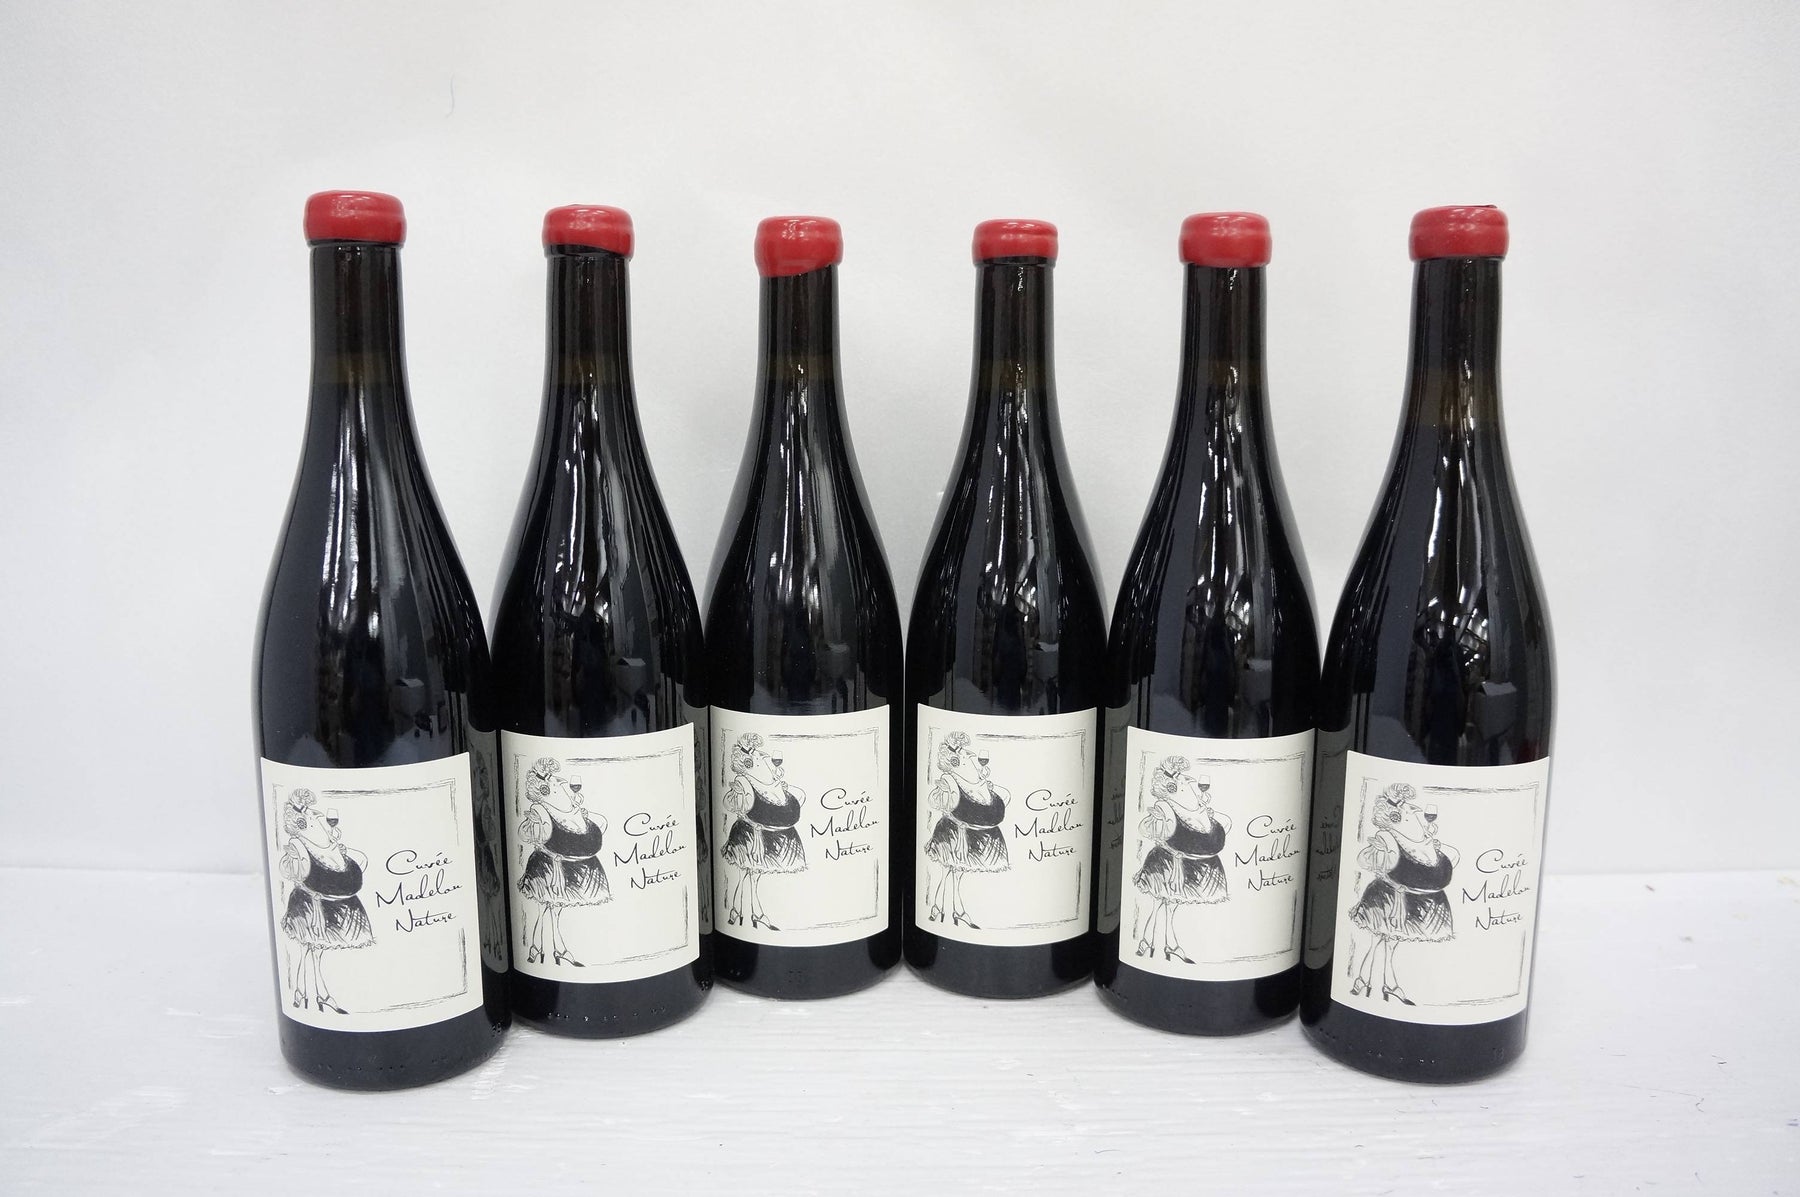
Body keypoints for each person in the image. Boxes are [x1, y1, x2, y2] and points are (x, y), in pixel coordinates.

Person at [1346, 782, 1458, 1005]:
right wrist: (1381, 853)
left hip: (1409, 902)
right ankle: (1364, 981)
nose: (1414, 811)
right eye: (1408, 809)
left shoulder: (1423, 841)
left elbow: (1451, 860)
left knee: (1389, 944)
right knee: (1378, 942)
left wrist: (1429, 843)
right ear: (1396, 816)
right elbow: (1365, 860)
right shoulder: (1388, 838)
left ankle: (1383, 984)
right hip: (1387, 899)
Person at [278, 789, 373, 1014]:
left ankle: (306, 994)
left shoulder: (327, 845)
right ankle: (315, 995)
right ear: (304, 823)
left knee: (312, 950)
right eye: (312, 815)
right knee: (311, 949)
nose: (318, 817)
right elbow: (292, 871)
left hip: (326, 904)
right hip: (311, 906)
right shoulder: (301, 846)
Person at [1131, 756, 1230, 964]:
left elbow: (1223, 826)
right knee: (1159, 904)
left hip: (1187, 867)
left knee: (1169, 906)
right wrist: (1159, 823)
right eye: (1184, 780)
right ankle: (1150, 942)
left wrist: (1204, 812)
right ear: (1173, 787)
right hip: (1167, 864)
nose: (1190, 781)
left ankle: (1166, 945)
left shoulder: (1198, 810)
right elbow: (1145, 829)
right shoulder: (1166, 808)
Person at [516, 757, 611, 967]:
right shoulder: (541, 810)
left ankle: (543, 949)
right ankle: (550, 950)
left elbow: (601, 825)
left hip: (567, 867)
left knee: (551, 910)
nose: (562, 785)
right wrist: (535, 824)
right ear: (545, 790)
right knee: (547, 909)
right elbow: (526, 834)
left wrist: (579, 812)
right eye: (555, 783)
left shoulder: (571, 811)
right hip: (549, 868)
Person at [922, 731, 1010, 929]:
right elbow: (936, 801)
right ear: (955, 760)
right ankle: (942, 909)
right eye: (963, 753)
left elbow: (1000, 799)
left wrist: (984, 784)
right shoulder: (950, 779)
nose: (969, 755)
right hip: (953, 833)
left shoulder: (974, 780)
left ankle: (951, 910)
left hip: (968, 834)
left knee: (955, 873)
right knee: (948, 871)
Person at [718, 733, 806, 930]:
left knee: (751, 875)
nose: (764, 757)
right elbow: (730, 804)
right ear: (749, 763)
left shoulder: (771, 783)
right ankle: (748, 913)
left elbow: (797, 798)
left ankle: (741, 912)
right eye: (758, 756)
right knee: (747, 874)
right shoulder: (744, 782)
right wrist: (738, 795)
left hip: (766, 835)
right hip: (750, 835)